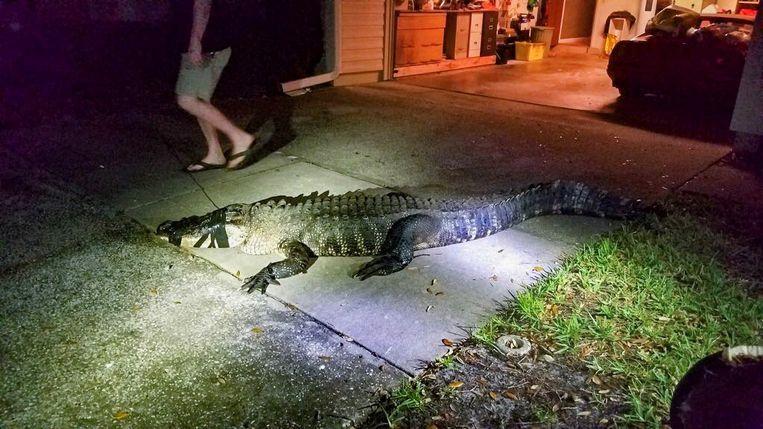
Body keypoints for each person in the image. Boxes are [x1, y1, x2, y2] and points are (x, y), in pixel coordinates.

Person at [174, 0, 257, 172]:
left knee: (187, 100)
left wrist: (195, 41)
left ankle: (239, 137)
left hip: (206, 46)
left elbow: (203, 4)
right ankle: (215, 154)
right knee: (199, 100)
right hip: (203, 45)